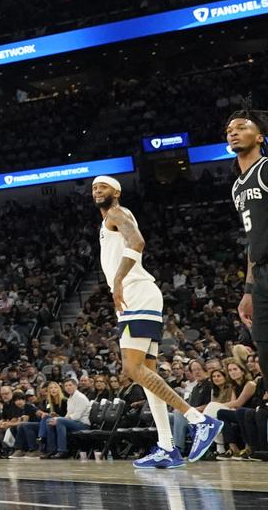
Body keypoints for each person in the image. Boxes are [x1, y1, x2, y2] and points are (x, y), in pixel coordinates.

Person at [91, 174, 221, 467]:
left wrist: (120, 279)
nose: (97, 190)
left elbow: (137, 241)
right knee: (147, 375)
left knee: (132, 368)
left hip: (137, 294)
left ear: (117, 191)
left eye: (103, 186)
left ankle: (199, 420)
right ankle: (167, 446)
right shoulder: (109, 219)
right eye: (94, 188)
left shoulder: (117, 212)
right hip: (136, 298)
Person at [232, 111, 268, 370]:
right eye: (229, 131)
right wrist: (248, 290)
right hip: (261, 274)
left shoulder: (266, 168)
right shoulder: (237, 187)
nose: (233, 132)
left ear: (259, 137)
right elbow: (251, 239)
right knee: (263, 346)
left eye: (241, 127)